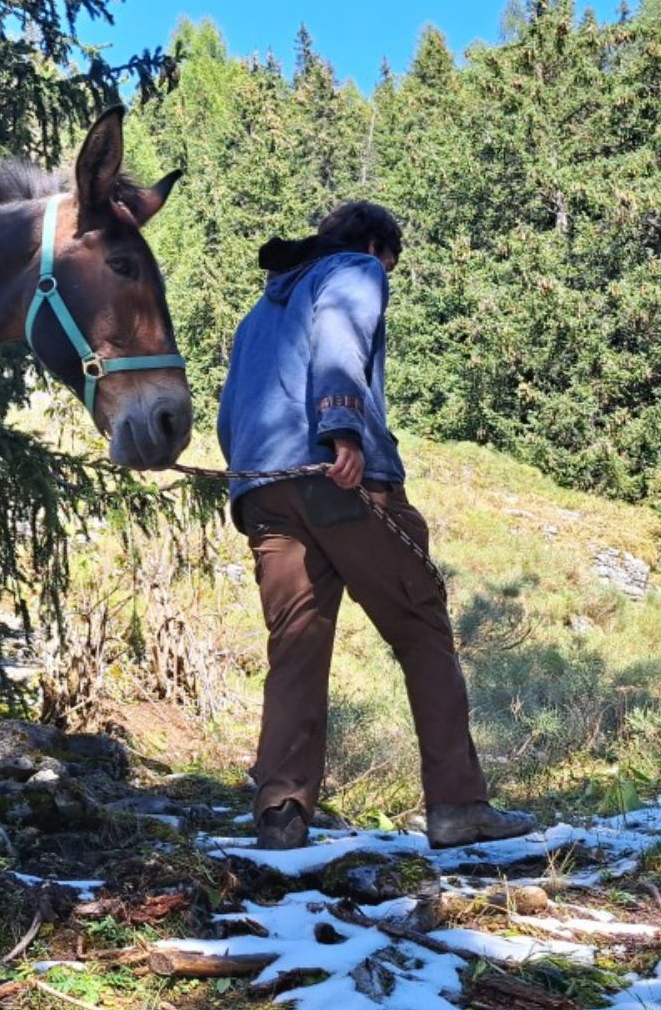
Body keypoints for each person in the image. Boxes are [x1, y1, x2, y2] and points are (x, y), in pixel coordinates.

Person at [216, 200, 535, 851]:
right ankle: (458, 805)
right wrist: (340, 426)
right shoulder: (355, 270)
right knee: (421, 625)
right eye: (389, 263)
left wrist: (250, 479)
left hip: (262, 492)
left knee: (296, 648)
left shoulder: (259, 314)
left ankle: (281, 811)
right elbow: (340, 334)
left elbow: (228, 412)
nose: (386, 275)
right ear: (373, 247)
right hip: (340, 483)